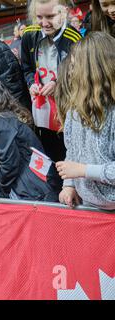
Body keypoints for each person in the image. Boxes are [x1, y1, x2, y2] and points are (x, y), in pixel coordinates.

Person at [0, 77, 59, 201]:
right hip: (39, 187)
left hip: (35, 191)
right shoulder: (4, 117)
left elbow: (10, 165)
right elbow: (8, 164)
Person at [55, 32, 115, 210]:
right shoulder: (75, 110)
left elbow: (77, 167)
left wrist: (83, 170)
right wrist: (69, 185)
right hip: (89, 207)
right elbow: (72, 152)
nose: (71, 72)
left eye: (75, 66)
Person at [21, 0, 81, 162]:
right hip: (42, 110)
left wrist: (58, 83)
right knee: (48, 156)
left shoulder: (73, 38)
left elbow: (80, 74)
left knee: (68, 155)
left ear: (64, 12)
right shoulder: (29, 35)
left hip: (66, 109)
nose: (44, 23)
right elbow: (27, 68)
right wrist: (30, 83)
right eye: (39, 17)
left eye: (50, 16)